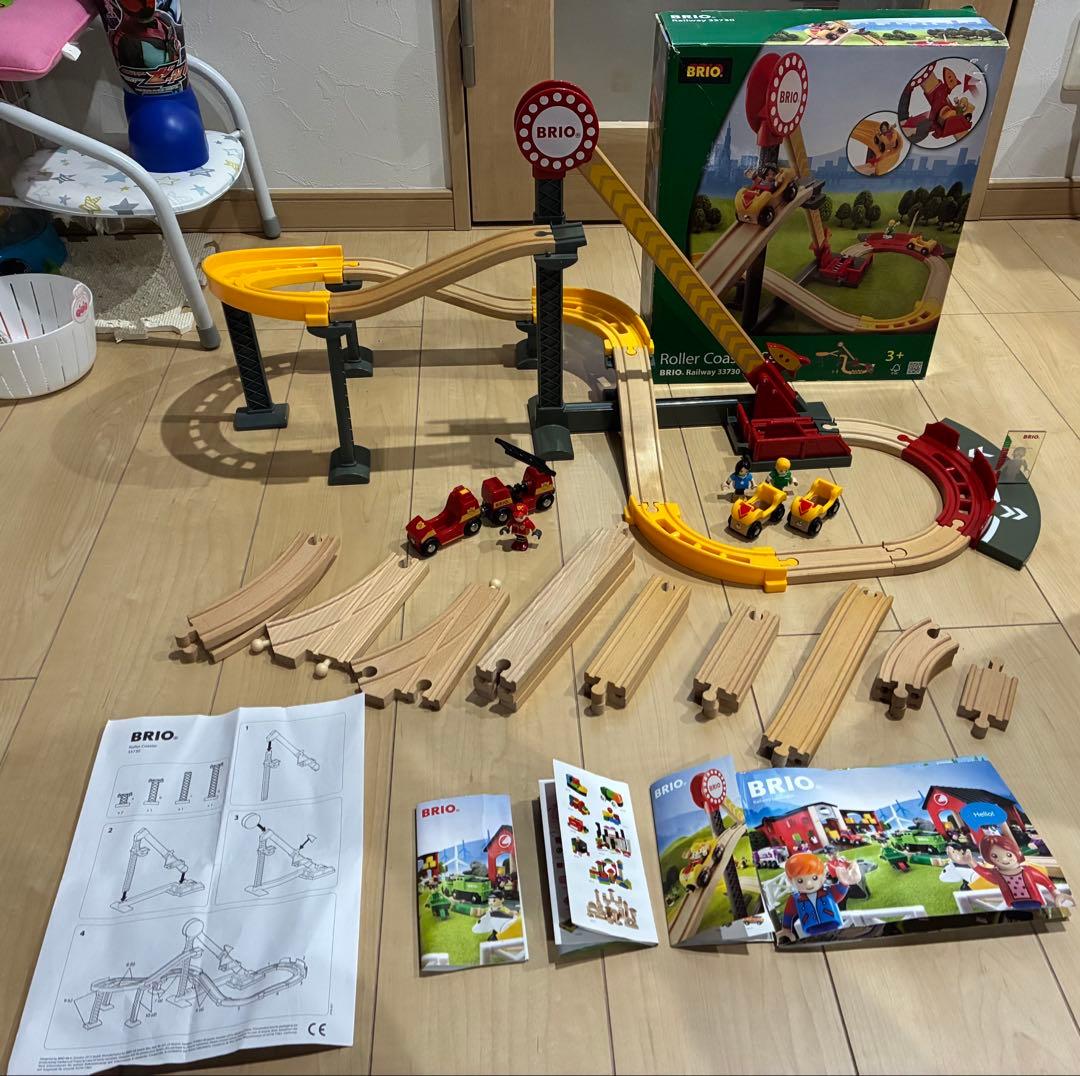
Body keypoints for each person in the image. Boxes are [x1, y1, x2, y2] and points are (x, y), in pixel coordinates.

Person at [948, 834, 1073, 911]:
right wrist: (970, 862)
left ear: (1015, 853)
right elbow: (984, 872)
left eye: (1008, 855)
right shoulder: (997, 875)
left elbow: (1047, 883)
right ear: (989, 859)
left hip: (1035, 903)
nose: (1003, 859)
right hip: (1014, 905)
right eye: (995, 856)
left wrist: (1057, 895)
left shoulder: (1028, 871)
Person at [777, 852, 861, 942]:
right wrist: (786, 929)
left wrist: (844, 883)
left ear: (823, 875)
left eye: (814, 878)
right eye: (800, 880)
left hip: (833, 924)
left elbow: (838, 894)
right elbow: (788, 914)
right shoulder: (795, 899)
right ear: (791, 881)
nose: (808, 884)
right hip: (810, 929)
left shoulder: (827, 891)